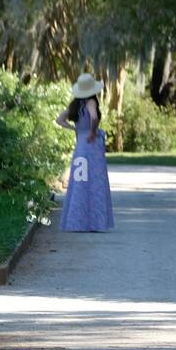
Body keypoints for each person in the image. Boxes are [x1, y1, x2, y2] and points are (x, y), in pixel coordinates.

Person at [55, 72, 115, 232]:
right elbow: (94, 117)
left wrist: (74, 128)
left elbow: (59, 120)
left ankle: (77, 221)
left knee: (79, 181)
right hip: (92, 145)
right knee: (94, 182)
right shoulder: (91, 102)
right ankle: (94, 222)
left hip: (80, 145)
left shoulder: (75, 105)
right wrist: (93, 131)